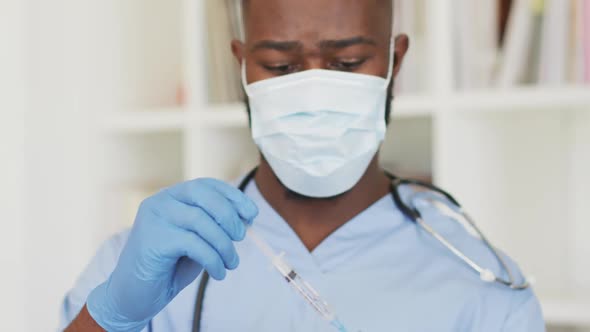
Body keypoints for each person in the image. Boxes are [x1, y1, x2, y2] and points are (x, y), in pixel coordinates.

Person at [61, 0, 545, 331]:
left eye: (348, 62)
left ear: (395, 63)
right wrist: (110, 318)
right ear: (243, 66)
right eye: (280, 67)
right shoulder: (144, 265)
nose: (314, 91)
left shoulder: (484, 287)